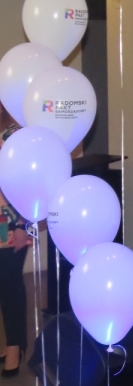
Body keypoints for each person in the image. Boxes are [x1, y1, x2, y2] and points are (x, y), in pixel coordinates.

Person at [0, 103, 29, 378]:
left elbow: (29, 180)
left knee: (10, 284)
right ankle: (13, 340)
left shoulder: (16, 134)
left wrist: (22, 224)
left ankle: (15, 347)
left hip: (10, 221)